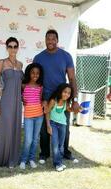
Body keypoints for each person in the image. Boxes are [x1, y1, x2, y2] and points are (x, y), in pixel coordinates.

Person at [33, 29, 80, 164]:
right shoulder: (38, 57)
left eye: (53, 38)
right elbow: (35, 79)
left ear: (57, 41)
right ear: (45, 40)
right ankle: (45, 153)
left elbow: (72, 79)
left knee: (64, 128)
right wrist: (40, 99)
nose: (50, 41)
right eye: (48, 38)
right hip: (45, 98)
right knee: (43, 129)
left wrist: (75, 100)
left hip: (62, 99)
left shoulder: (66, 56)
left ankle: (64, 152)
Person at [0, 37, 23, 168]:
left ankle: (13, 159)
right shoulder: (1, 63)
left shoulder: (21, 65)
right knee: (5, 130)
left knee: (15, 129)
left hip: (17, 102)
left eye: (15, 46)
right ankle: (4, 160)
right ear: (6, 48)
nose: (12, 49)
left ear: (18, 48)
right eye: (10, 46)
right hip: (4, 102)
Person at [20, 63, 44, 170]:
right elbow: (20, 97)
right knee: (28, 139)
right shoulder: (23, 85)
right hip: (28, 116)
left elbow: (41, 99)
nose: (35, 75)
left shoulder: (40, 86)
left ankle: (32, 159)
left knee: (35, 139)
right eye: (33, 73)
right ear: (29, 73)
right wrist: (21, 98)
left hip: (39, 115)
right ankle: (23, 160)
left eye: (37, 73)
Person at [46, 83, 73, 172]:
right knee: (55, 144)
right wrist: (48, 125)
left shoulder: (66, 102)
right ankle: (57, 164)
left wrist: (76, 109)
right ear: (60, 91)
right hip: (53, 124)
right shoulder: (54, 101)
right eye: (65, 92)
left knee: (61, 145)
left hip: (63, 124)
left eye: (69, 93)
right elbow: (47, 112)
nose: (66, 94)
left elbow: (68, 109)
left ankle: (60, 161)